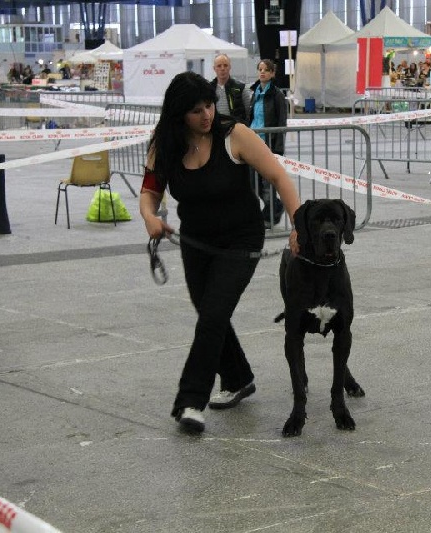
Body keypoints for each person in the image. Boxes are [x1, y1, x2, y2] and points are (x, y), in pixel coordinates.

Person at [139, 72, 301, 435]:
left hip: (240, 239)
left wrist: (298, 226)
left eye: (209, 106)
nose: (206, 115)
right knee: (211, 314)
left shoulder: (235, 135)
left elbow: (279, 177)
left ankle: (190, 401)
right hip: (196, 242)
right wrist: (150, 217)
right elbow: (150, 191)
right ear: (179, 113)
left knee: (212, 315)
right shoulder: (163, 143)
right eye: (196, 110)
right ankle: (238, 377)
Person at [248, 59, 287, 228]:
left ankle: (270, 216)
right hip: (252, 144)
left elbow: (281, 122)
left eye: (266, 70)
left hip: (268, 144)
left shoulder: (277, 95)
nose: (262, 72)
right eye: (260, 69)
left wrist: (278, 149)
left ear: (272, 73)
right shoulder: (254, 93)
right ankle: (277, 207)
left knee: (267, 184)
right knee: (253, 183)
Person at [210, 54, 251, 124]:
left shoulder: (241, 88)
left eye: (225, 65)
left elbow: (249, 112)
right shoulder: (209, 89)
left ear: (230, 67)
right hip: (216, 128)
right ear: (214, 68)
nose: (222, 68)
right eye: (219, 66)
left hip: (236, 128)